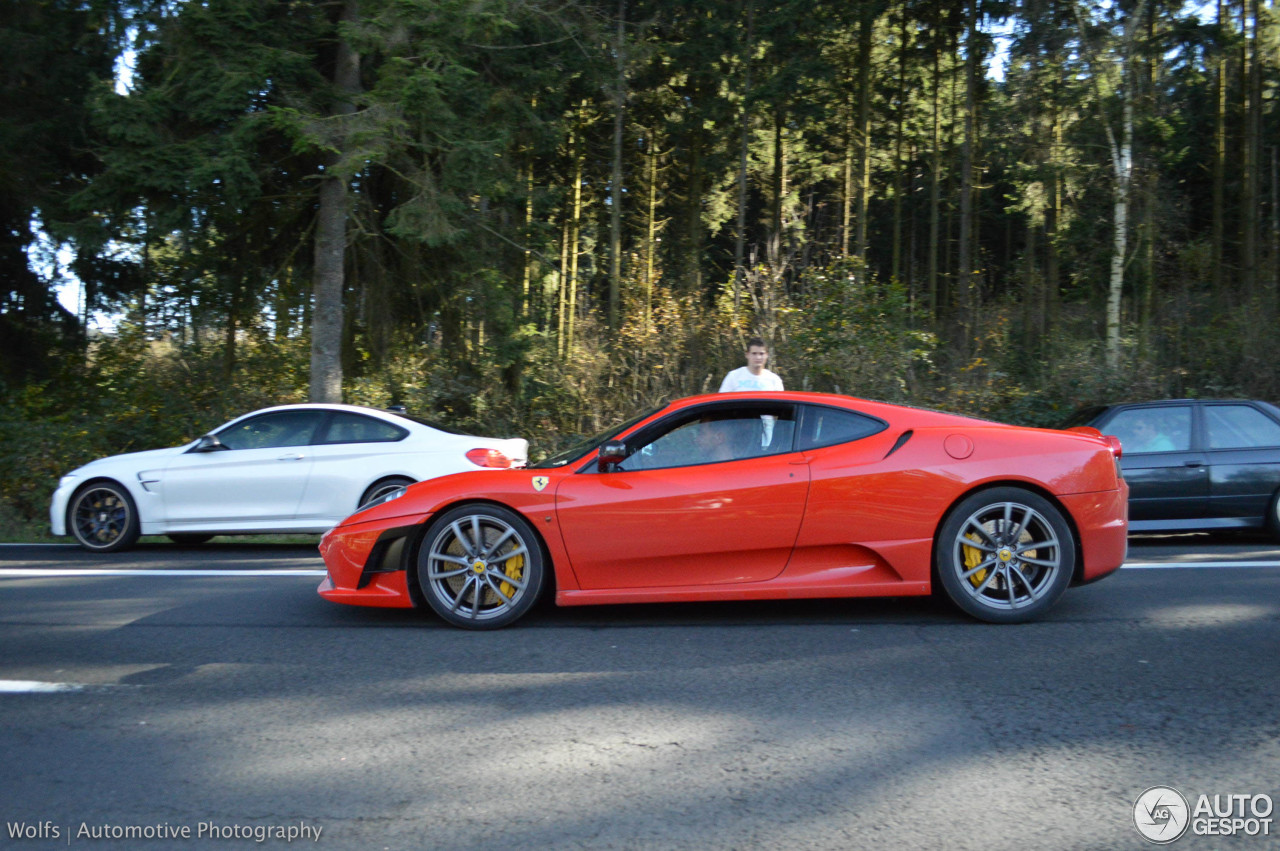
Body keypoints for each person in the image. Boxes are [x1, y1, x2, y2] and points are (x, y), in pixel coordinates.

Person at [719, 337, 784, 393]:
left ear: (767, 355)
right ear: (747, 355)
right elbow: (721, 402)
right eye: (754, 353)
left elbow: (781, 405)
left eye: (761, 354)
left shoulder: (774, 380)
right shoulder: (733, 377)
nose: (758, 357)